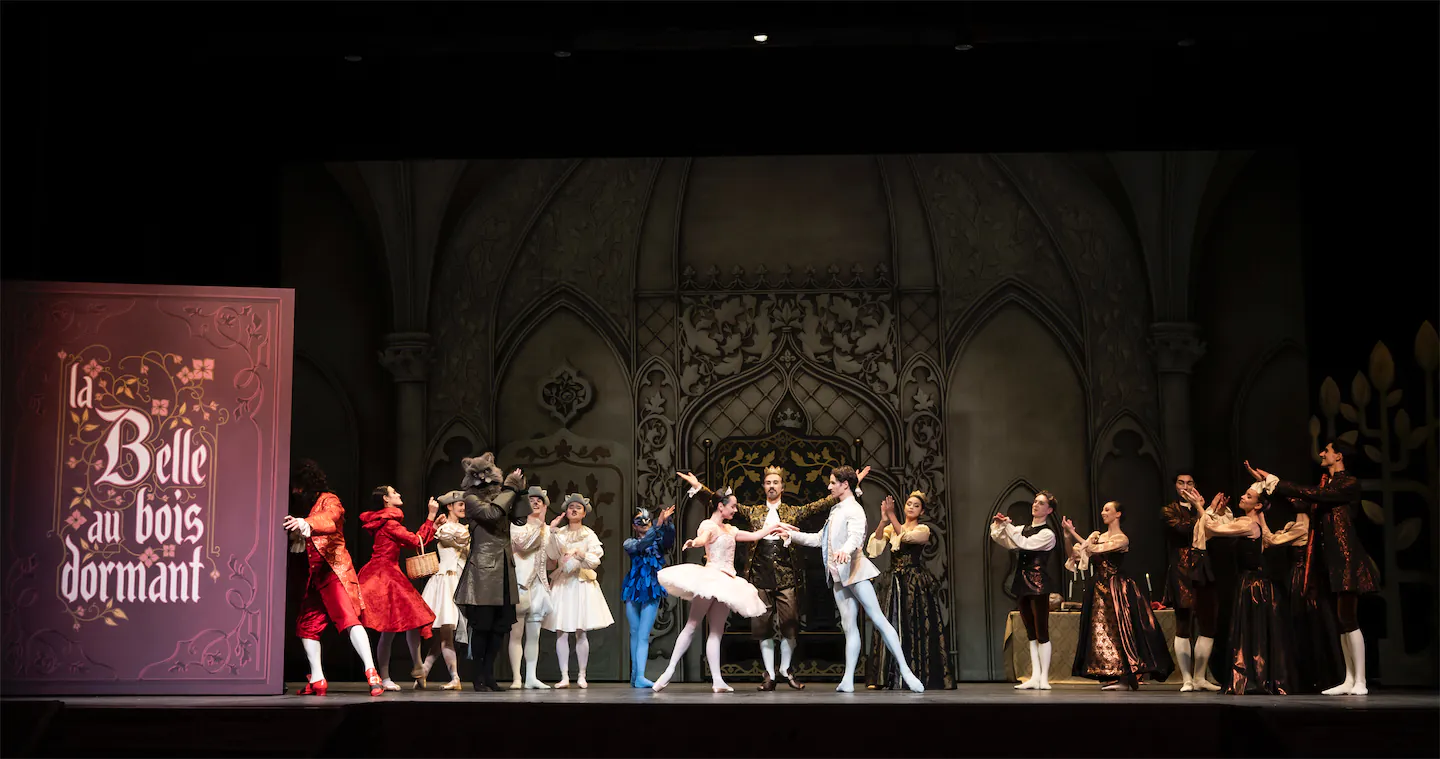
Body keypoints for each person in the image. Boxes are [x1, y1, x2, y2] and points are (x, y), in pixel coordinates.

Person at [674, 464, 870, 690]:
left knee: (790, 623)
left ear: (782, 487)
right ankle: (769, 673)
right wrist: (699, 488)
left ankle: (786, 669)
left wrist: (854, 484)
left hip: (787, 574)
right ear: (764, 486)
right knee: (762, 624)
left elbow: (823, 504)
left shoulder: (792, 511)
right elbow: (719, 503)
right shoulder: (753, 511)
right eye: (768, 482)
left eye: (776, 482)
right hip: (759, 573)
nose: (772, 486)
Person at [1247, 441, 1378, 696]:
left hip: (1346, 559)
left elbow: (1314, 495)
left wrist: (1275, 480)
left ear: (1338, 456)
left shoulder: (1347, 484)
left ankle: (1360, 679)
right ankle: (1349, 678)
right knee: (1342, 621)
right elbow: (1300, 497)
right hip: (1330, 560)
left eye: (1326, 451)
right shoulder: (1325, 485)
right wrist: (1266, 484)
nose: (1321, 453)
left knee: (1349, 618)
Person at [785, 466, 926, 693]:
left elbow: (856, 536)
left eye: (833, 482)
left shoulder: (854, 509)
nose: (829, 486)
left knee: (878, 619)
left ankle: (906, 671)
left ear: (844, 484)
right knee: (849, 627)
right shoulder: (836, 509)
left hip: (854, 570)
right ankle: (848, 679)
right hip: (839, 576)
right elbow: (820, 539)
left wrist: (845, 550)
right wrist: (792, 535)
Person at [651, 487, 782, 692]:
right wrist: (695, 542)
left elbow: (757, 534)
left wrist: (778, 526)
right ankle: (669, 671)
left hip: (727, 582)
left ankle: (717, 680)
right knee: (692, 624)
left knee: (716, 632)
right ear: (721, 507)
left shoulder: (730, 529)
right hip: (711, 578)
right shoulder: (709, 525)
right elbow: (703, 538)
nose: (736, 510)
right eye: (733, 506)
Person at [282, 459, 383, 697]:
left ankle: (371, 671)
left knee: (349, 620)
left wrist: (306, 523)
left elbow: (329, 519)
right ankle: (317, 678)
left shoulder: (329, 500)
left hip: (335, 572)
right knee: (306, 626)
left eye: (297, 487)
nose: (295, 492)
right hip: (318, 577)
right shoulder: (308, 507)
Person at [1061, 501, 1174, 690]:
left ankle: (1125, 677)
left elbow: (1096, 549)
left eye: (1108, 510)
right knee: (1103, 634)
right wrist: (1067, 537)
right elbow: (1076, 555)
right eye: (1103, 509)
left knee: (1121, 632)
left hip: (1116, 589)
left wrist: (1075, 534)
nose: (1103, 512)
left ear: (1118, 514)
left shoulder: (1122, 538)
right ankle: (1112, 675)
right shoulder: (1097, 536)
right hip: (1098, 590)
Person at [1201, 477, 1297, 695]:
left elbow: (1212, 528)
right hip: (1249, 583)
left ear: (1258, 505)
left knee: (1252, 634)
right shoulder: (1250, 522)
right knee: (1252, 633)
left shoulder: (1248, 523)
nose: (1242, 497)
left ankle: (1254, 678)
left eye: (1249, 496)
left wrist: (1204, 507)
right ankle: (1257, 677)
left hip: (1254, 586)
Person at [452, 453, 530, 692]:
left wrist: (520, 491)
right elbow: (491, 514)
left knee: (499, 627)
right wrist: (509, 489)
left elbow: (520, 519)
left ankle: (489, 675)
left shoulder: (501, 496)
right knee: (483, 626)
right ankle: (478, 676)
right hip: (483, 572)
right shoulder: (471, 497)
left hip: (504, 570)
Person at [864, 490, 955, 690]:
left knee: (913, 625)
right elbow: (875, 547)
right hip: (893, 581)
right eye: (909, 504)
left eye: (916, 505)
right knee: (890, 623)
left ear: (921, 511)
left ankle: (915, 674)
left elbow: (906, 538)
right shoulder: (891, 527)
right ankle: (884, 676)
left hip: (914, 583)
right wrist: (882, 520)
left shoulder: (923, 529)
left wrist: (893, 516)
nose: (911, 507)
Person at [358, 485, 438, 690]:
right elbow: (415, 541)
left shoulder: (385, 521)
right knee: (389, 629)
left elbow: (414, 541)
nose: (399, 495)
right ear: (386, 499)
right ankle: (385, 677)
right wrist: (430, 516)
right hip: (384, 575)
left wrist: (432, 525)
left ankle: (418, 666)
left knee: (412, 619)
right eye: (394, 493)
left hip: (387, 572)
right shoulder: (389, 523)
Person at [543, 493, 615, 689]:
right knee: (561, 631)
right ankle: (564, 676)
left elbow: (595, 558)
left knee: (581, 631)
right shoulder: (560, 533)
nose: (574, 510)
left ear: (584, 513)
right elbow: (550, 554)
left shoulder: (588, 534)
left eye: (578, 507)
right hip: (563, 584)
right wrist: (551, 532)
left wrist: (580, 554)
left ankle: (582, 675)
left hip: (581, 583)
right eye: (571, 507)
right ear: (566, 511)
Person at [989, 491, 1059, 690]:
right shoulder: (1023, 528)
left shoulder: (1047, 534)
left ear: (1049, 510)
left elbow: (1024, 544)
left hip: (1039, 584)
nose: (1035, 505)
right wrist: (1000, 524)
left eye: (1041, 503)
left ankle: (1044, 678)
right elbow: (1002, 539)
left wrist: (1008, 526)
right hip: (1022, 582)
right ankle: (1035, 677)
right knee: (1030, 632)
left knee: (1041, 630)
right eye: (1035, 502)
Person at [419, 490, 471, 690]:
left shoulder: (462, 528)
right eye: (460, 504)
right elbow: (457, 540)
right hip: (445, 582)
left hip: (459, 582)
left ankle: (424, 671)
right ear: (450, 506)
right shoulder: (444, 528)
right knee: (445, 633)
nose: (463, 508)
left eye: (465, 505)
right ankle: (454, 677)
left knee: (444, 635)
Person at [622, 503, 676, 688]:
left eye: (647, 520)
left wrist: (666, 523)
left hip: (651, 588)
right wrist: (657, 525)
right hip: (633, 588)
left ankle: (640, 676)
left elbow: (668, 540)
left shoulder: (657, 540)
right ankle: (635, 675)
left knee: (643, 634)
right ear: (633, 525)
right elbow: (642, 544)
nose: (644, 523)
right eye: (639, 520)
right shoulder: (630, 543)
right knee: (635, 632)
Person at [507, 486, 554, 690]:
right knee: (516, 633)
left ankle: (531, 677)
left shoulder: (547, 530)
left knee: (534, 634)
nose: (536, 503)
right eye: (532, 500)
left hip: (539, 585)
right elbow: (524, 545)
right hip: (520, 583)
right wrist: (541, 525)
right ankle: (517, 677)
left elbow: (552, 560)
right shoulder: (517, 526)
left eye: (540, 500)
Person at [1161, 472, 1203, 690]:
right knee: (1184, 621)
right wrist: (1201, 510)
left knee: (1206, 622)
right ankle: (1187, 677)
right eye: (1181, 483)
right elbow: (1183, 529)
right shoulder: (1169, 510)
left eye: (1190, 482)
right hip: (1181, 569)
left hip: (1203, 568)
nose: (1185, 486)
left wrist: (1201, 508)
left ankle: (1201, 676)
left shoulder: (1202, 507)